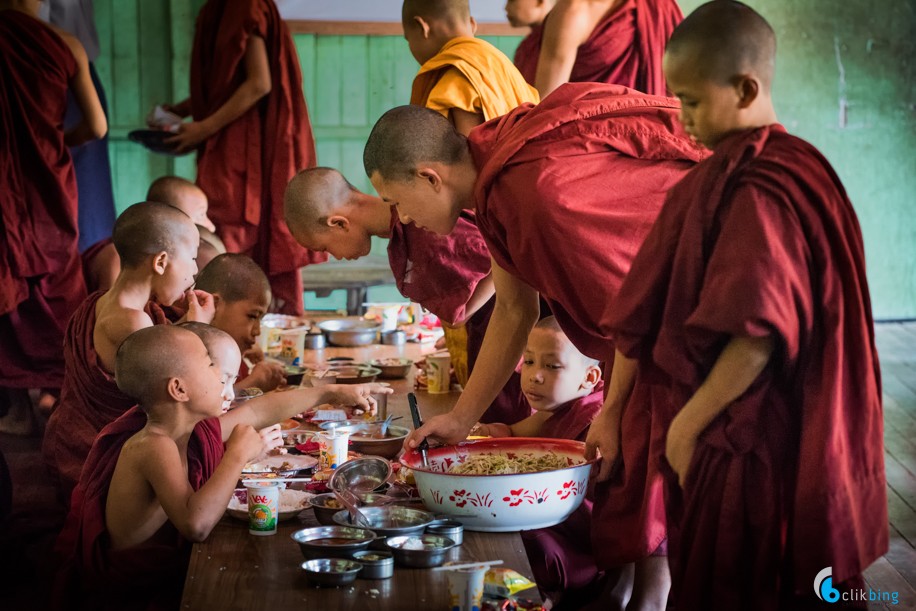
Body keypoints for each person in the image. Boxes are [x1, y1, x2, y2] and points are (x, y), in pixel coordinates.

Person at [365, 87, 705, 609]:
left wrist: (610, 410)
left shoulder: (535, 194)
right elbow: (514, 310)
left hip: (693, 311)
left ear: (431, 176)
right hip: (648, 330)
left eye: (397, 202)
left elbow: (638, 306)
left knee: (657, 501)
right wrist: (460, 419)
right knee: (630, 505)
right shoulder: (494, 178)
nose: (402, 219)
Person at [597, 3, 888, 608]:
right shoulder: (788, 165)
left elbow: (757, 331)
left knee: (746, 580)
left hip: (752, 429)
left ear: (747, 88)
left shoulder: (763, 183)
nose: (682, 117)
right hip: (751, 420)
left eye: (694, 101)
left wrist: (688, 422)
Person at [52, 323, 387, 610]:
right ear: (179, 389)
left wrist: (330, 392)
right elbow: (195, 525)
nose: (223, 375)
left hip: (163, 576)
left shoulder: (186, 430)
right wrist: (237, 456)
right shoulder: (152, 445)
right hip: (132, 597)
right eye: (210, 364)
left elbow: (258, 411)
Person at [285, 168, 529, 425]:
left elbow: (505, 255)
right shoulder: (404, 231)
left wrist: (462, 312)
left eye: (324, 247)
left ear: (338, 223)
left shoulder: (423, 221)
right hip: (490, 336)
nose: (332, 256)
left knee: (513, 432)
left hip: (515, 341)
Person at [160, 0, 326, 315]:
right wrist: (182, 110)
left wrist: (203, 128)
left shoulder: (243, 5)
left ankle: (236, 328)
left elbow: (259, 83)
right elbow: (229, 86)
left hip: (247, 149)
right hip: (235, 141)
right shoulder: (218, 8)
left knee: (233, 234)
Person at [42, 202, 215, 501]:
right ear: (161, 262)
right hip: (95, 456)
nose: (196, 271)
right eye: (192, 258)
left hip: (65, 438)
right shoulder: (131, 319)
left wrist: (187, 324)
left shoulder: (100, 302)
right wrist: (197, 331)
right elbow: (171, 387)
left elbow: (158, 349)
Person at [0, 0, 107, 434]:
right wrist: (51, 142)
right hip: (50, 180)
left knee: (10, 281)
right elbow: (96, 128)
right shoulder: (67, 44)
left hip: (4, 181)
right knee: (59, 281)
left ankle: (16, 408)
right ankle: (63, 409)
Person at [472, 317, 604, 607]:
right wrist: (485, 431)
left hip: (581, 548)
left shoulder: (598, 421)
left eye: (551, 366)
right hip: (548, 522)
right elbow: (513, 435)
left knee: (523, 543)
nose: (534, 376)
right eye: (528, 362)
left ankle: (544, 599)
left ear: (590, 378)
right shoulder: (557, 409)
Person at [512, 0, 682, 98]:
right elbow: (547, 102)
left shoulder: (660, 8)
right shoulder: (574, 11)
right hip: (592, 138)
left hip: (652, 135)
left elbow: (679, 93)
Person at [194, 253, 286, 393]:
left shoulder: (232, 353)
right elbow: (206, 408)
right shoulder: (190, 354)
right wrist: (253, 385)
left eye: (260, 319)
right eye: (252, 316)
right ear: (215, 305)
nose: (257, 331)